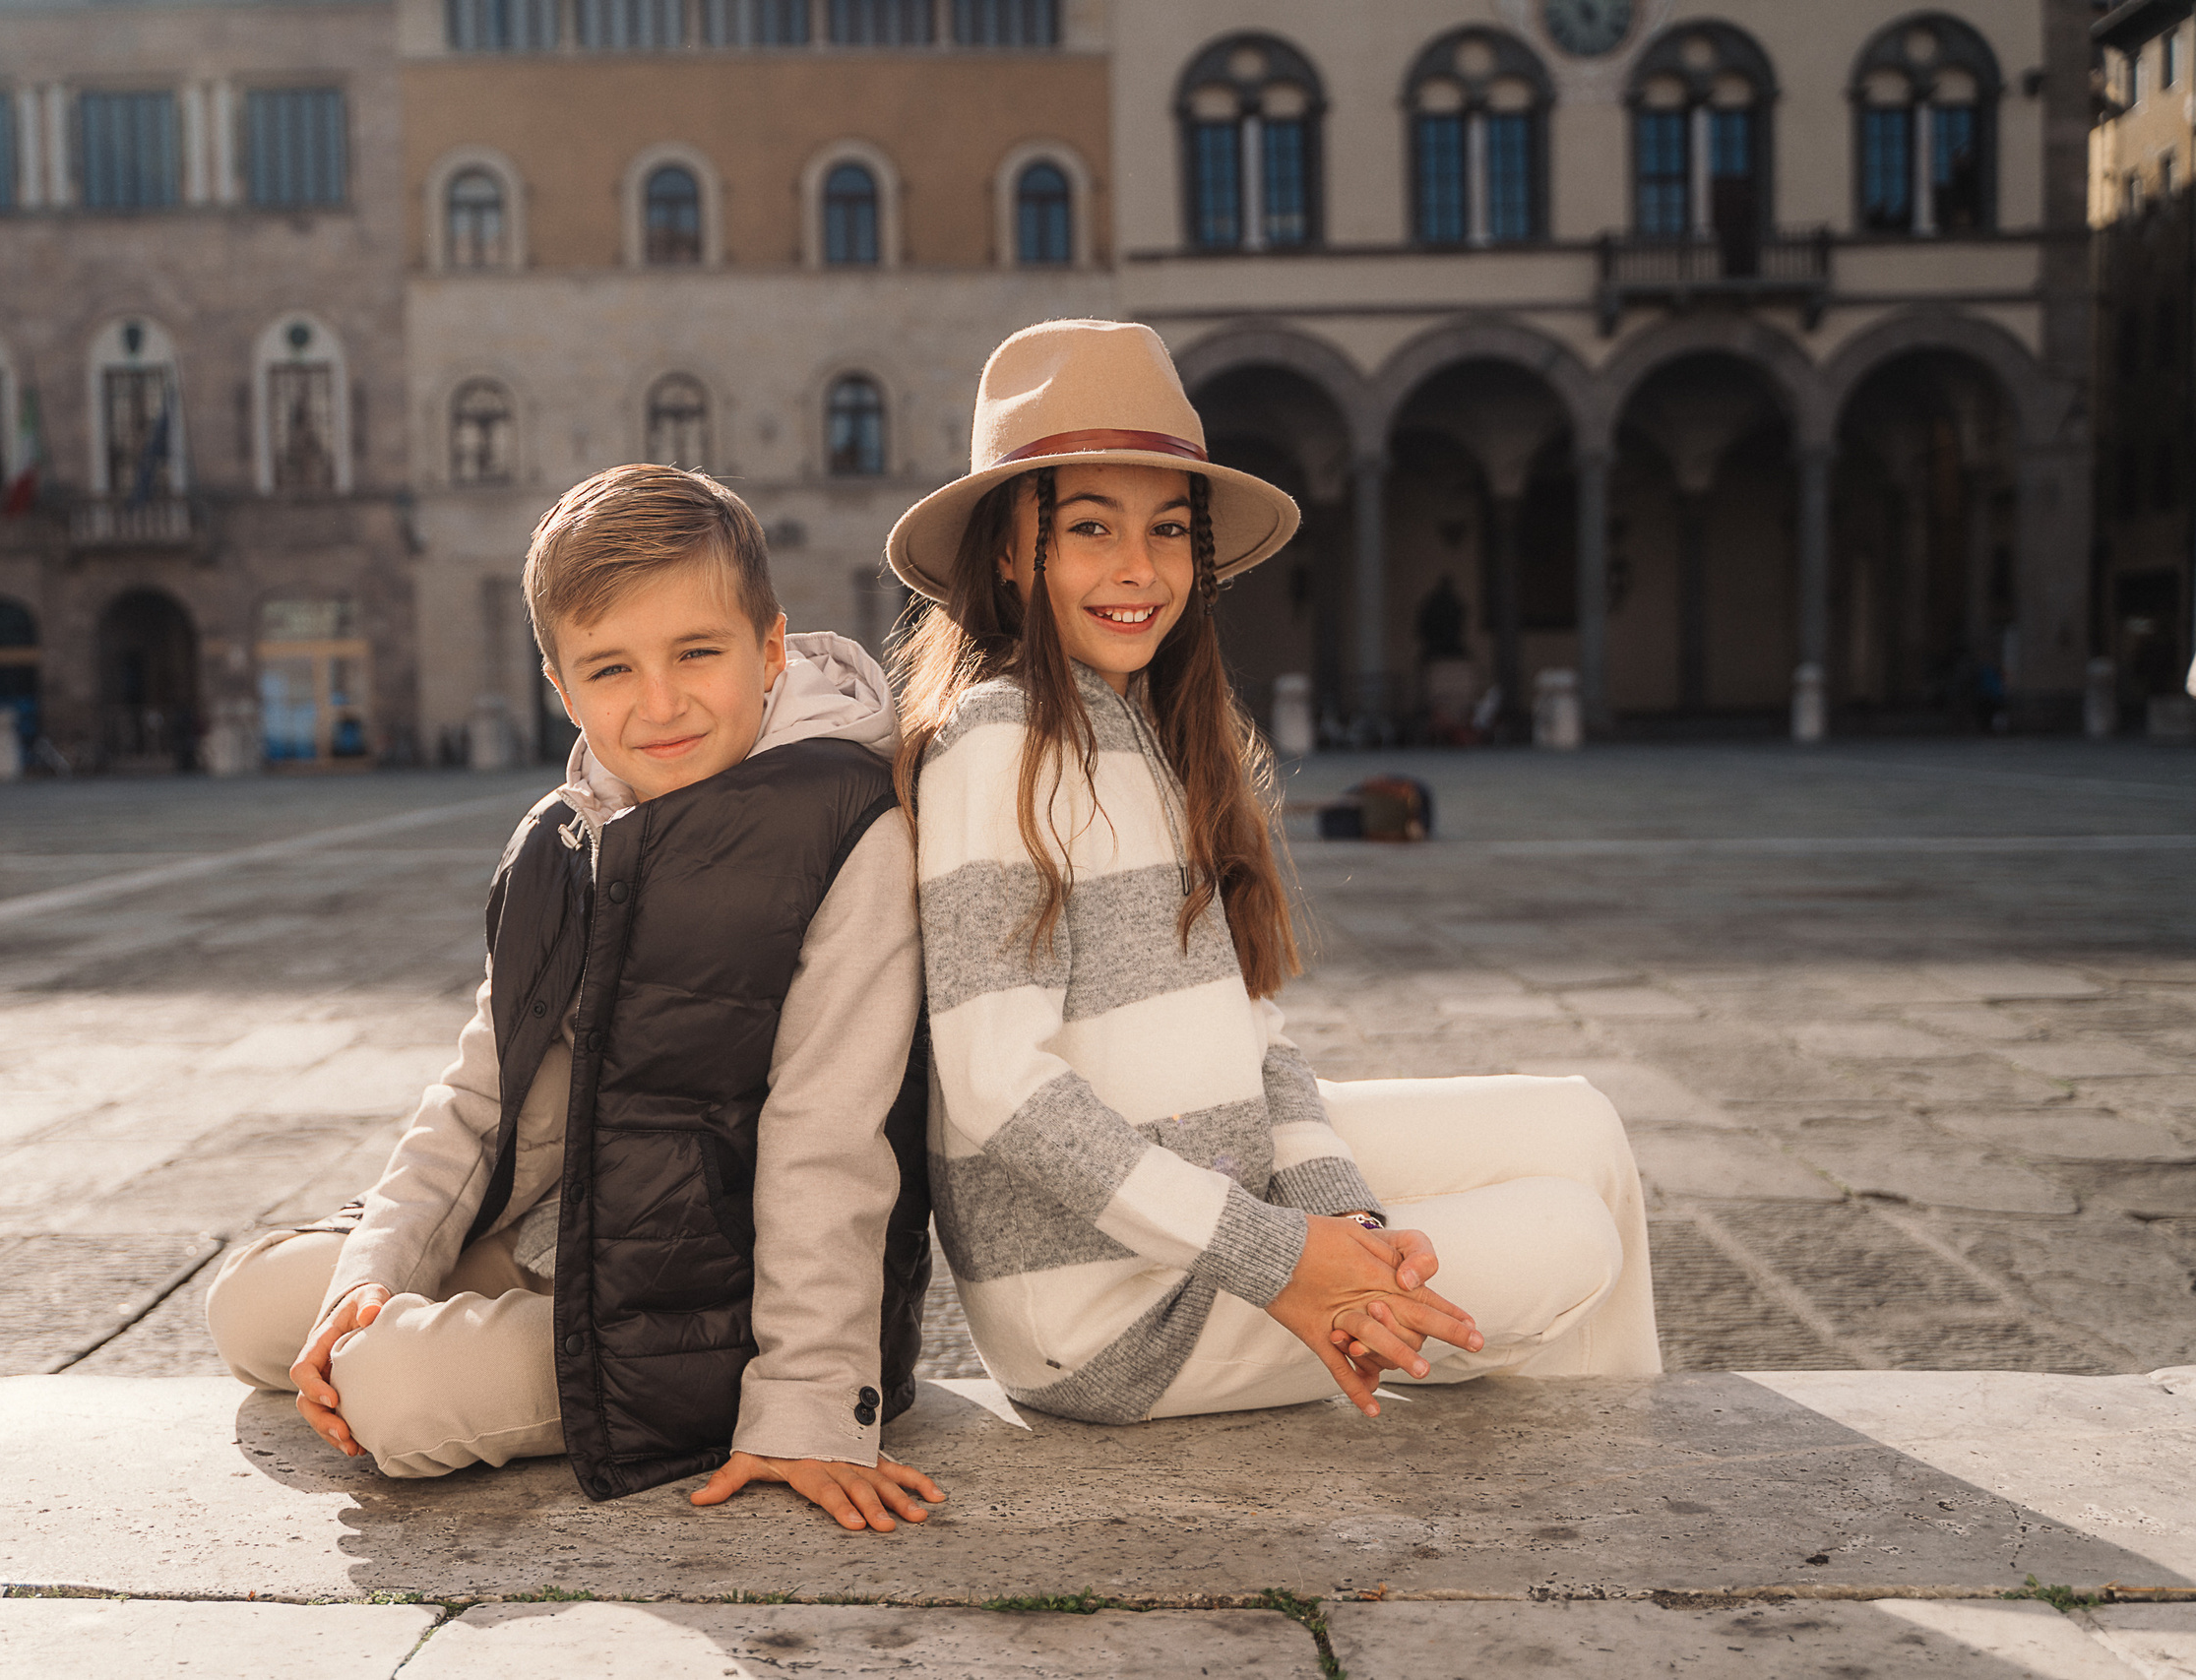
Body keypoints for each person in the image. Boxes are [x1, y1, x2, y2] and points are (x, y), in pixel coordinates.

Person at [886, 320, 1661, 1426]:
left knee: (1579, 1125)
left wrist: (1343, 1223)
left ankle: (1596, 1475)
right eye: (1089, 527)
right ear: (1009, 551)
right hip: (1107, 1314)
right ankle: (1604, 1503)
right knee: (1568, 1237)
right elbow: (999, 1089)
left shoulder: (1154, 733)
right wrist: (1285, 1258)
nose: (1138, 571)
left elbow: (1258, 1040)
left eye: (1165, 530)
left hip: (1222, 1193)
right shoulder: (997, 741)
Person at [209, 465, 944, 1533]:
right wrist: (375, 1274)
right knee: (256, 1310)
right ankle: (425, 1305)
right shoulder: (569, 835)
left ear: (770, 648)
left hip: (724, 1310)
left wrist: (808, 1403)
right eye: (611, 669)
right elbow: (476, 1092)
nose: (659, 703)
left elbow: (827, 1139)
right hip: (574, 1233)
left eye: (698, 651)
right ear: (563, 688)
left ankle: (455, 1339)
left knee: (390, 1397)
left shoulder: (845, 829)